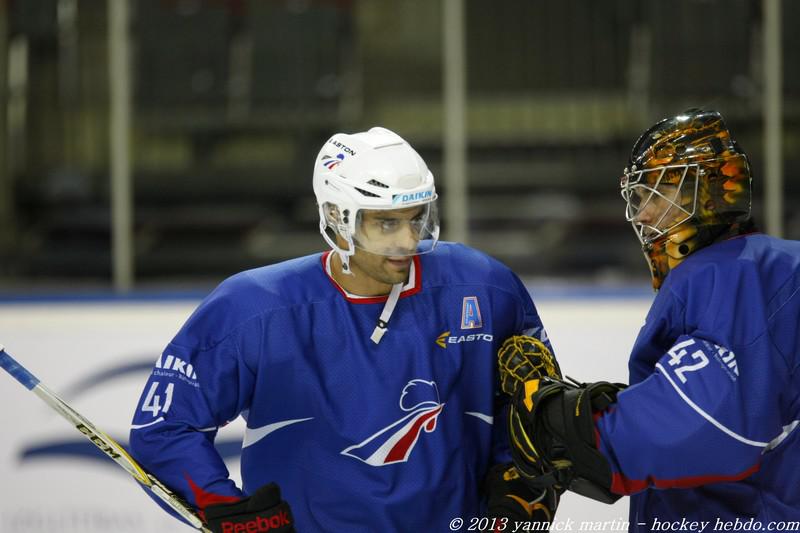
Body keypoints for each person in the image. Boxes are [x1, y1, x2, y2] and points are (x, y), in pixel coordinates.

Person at [129, 126, 556, 532]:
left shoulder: (485, 288)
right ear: (337, 217)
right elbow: (164, 429)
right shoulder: (253, 308)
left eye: (416, 218)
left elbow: (534, 413)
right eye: (386, 222)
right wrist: (227, 509)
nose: (408, 241)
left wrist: (521, 486)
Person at [503, 109, 800, 529]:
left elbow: (695, 426)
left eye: (655, 195)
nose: (641, 217)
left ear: (704, 192)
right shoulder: (775, 267)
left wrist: (556, 418)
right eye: (638, 201)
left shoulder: (727, 277)